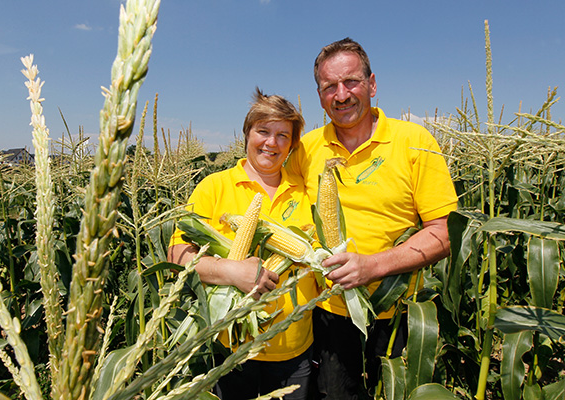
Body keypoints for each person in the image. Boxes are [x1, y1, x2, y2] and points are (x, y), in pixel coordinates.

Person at [285, 38, 458, 399]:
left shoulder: (415, 141)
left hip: (398, 317)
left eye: (351, 82)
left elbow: (445, 232)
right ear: (319, 95)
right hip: (329, 314)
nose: (341, 94)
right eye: (329, 86)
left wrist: (373, 266)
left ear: (373, 84)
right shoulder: (306, 149)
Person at [169, 88, 318, 400]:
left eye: (283, 135)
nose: (271, 143)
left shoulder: (306, 192)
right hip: (231, 344)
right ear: (247, 134)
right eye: (263, 131)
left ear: (292, 144)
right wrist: (231, 271)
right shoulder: (214, 186)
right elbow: (178, 253)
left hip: (293, 347)